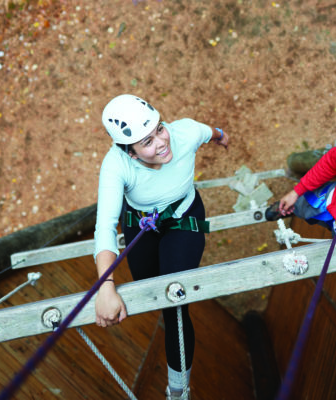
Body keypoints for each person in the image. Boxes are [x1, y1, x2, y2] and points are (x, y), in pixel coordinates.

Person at [93, 94, 229, 400]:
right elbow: (104, 226)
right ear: (130, 152)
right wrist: (105, 287)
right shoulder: (115, 165)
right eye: (147, 142)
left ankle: (178, 390)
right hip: (141, 224)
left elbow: (210, 132)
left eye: (159, 129)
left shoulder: (186, 131)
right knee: (148, 288)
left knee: (174, 304)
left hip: (184, 219)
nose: (161, 142)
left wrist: (221, 136)